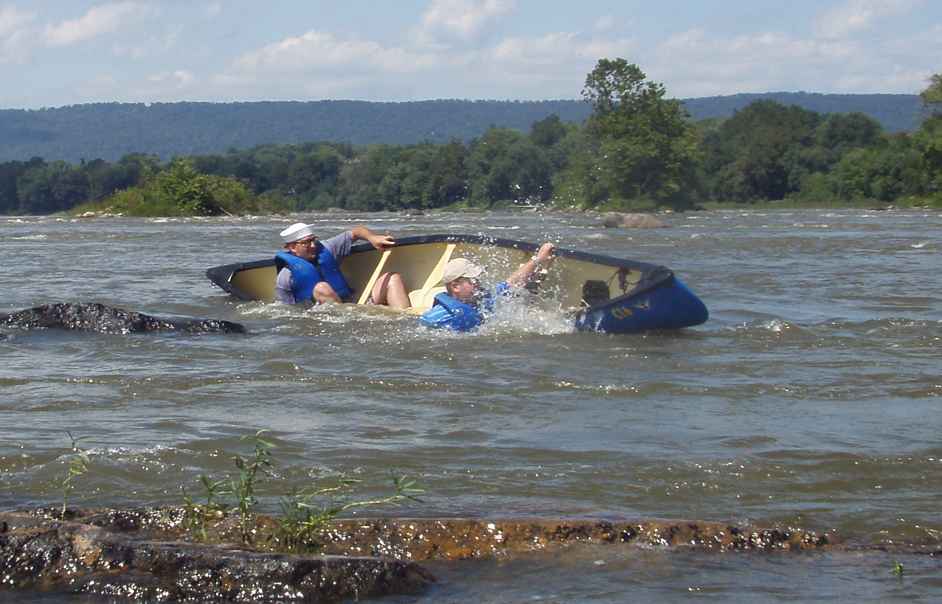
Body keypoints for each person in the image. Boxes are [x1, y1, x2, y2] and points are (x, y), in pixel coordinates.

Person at [420, 242, 556, 331]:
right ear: (455, 286)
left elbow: (511, 282)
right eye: (473, 280)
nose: (478, 284)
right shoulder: (436, 317)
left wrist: (538, 260)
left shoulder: (482, 299)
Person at [274, 222, 410, 308]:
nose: (313, 245)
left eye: (313, 240)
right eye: (306, 243)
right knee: (322, 288)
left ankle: (404, 321)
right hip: (329, 318)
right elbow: (287, 310)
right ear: (292, 247)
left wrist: (372, 238)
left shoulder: (327, 248)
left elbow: (356, 232)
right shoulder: (286, 276)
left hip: (355, 306)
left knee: (393, 278)